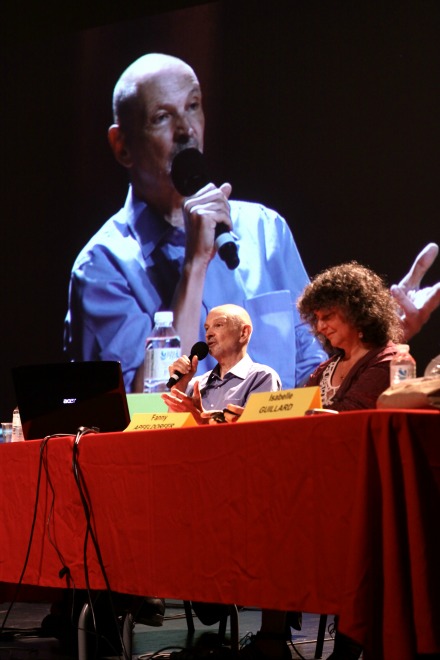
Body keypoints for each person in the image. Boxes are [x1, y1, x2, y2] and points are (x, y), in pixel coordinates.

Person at [64, 52, 440, 395]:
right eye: (161, 117)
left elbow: (318, 375)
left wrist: (373, 339)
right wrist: (194, 266)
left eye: (192, 107)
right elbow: (143, 407)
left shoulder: (264, 229)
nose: (186, 130)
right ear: (122, 146)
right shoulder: (102, 268)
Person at [232, 262, 404, 660]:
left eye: (329, 316)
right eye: (317, 318)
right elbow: (294, 412)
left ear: (359, 313)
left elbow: (352, 416)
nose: (321, 326)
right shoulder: (324, 369)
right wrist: (256, 414)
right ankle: (272, 636)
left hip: (362, 489)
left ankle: (348, 642)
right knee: (268, 518)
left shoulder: (389, 360)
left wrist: (303, 416)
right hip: (316, 485)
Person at [161, 303, 281, 423]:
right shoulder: (194, 384)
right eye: (207, 328)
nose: (208, 334)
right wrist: (179, 388)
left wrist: (203, 421)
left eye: (218, 325)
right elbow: (172, 434)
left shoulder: (262, 377)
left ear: (244, 332)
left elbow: (259, 434)